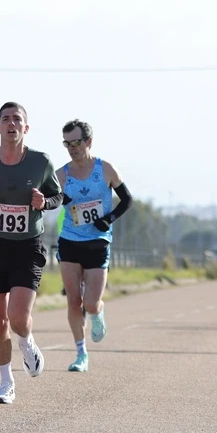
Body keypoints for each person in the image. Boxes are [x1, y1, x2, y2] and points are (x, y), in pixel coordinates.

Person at [0, 102, 63, 403]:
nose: (11, 124)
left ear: (26, 127)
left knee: (18, 316)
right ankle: (6, 382)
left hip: (27, 246)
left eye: (17, 119)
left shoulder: (41, 162)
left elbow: (57, 196)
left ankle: (26, 341)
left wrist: (44, 202)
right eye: (6, 119)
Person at [55, 120, 132, 372]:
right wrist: (56, 199)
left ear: (88, 141)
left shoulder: (106, 169)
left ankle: (97, 311)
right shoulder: (61, 175)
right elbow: (50, 200)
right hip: (70, 241)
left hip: (98, 243)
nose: (72, 148)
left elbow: (127, 200)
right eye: (67, 144)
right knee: (73, 301)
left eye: (76, 143)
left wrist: (109, 219)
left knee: (89, 303)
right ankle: (81, 354)